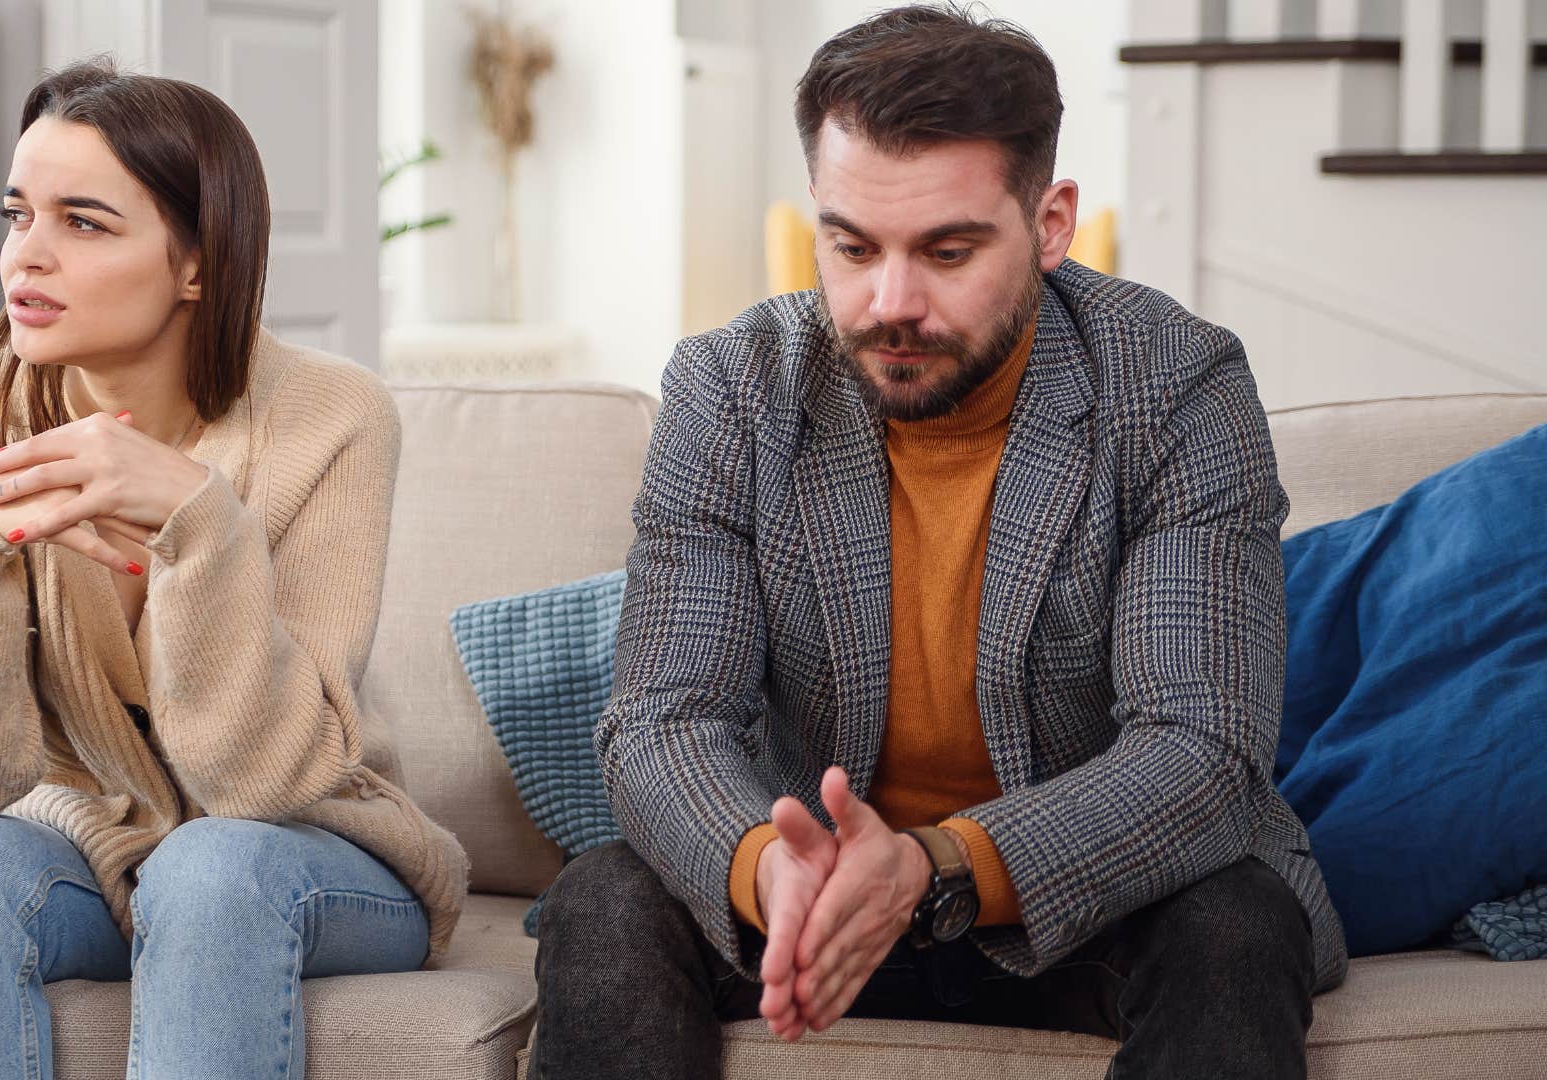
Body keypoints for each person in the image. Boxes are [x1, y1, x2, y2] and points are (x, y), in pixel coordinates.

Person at [531, 6, 1347, 1078]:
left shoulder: (1178, 386)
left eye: (948, 250)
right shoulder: (733, 389)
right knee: (604, 897)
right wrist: (770, 869)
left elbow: (1198, 749)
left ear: (1050, 223)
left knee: (1235, 920)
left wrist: (931, 866)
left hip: (1083, 898)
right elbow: (663, 719)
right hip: (810, 898)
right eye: (852, 246)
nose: (890, 303)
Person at [0, 59, 466, 1080]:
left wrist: (205, 529)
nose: (27, 257)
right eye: (20, 215)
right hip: (90, 847)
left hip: (307, 847)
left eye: (83, 222)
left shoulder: (336, 418)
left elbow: (259, 780)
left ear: (196, 261)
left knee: (213, 867)